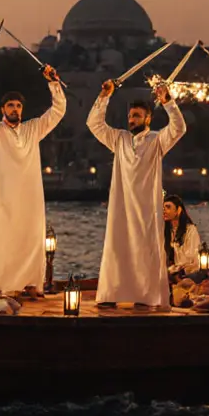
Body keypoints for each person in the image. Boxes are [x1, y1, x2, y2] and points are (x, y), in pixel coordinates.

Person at [0, 65, 66, 292]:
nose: (15, 109)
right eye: (11, 105)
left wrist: (53, 82)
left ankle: (32, 284)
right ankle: (3, 284)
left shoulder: (34, 129)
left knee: (32, 238)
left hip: (31, 196)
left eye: (19, 106)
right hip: (6, 198)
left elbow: (58, 111)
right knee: (5, 239)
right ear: (2, 109)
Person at [88, 80, 186, 308]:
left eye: (137, 116)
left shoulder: (157, 140)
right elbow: (94, 124)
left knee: (145, 250)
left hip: (146, 207)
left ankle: (146, 296)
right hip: (121, 205)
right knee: (117, 246)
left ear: (148, 119)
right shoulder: (119, 138)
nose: (132, 120)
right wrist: (104, 96)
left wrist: (168, 102)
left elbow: (179, 128)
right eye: (130, 116)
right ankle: (111, 293)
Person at [164, 194, 207, 284]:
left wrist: (176, 269)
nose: (164, 210)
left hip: (187, 272)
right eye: (163, 208)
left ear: (178, 210)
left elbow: (192, 259)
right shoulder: (165, 231)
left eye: (168, 207)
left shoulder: (190, 230)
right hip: (171, 272)